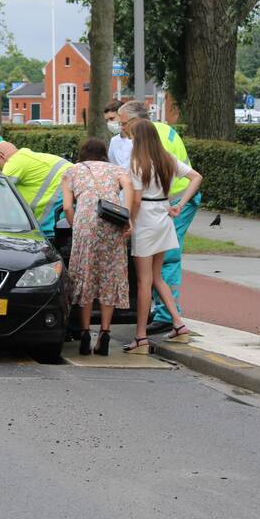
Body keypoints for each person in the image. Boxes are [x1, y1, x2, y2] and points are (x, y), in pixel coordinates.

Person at [116, 100, 200, 335]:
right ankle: (178, 322)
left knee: (144, 281)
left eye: (125, 125)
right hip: (164, 216)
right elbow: (196, 177)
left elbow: (135, 199)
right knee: (157, 276)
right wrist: (179, 205)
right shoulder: (167, 157)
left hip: (146, 220)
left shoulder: (137, 163)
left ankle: (141, 335)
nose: (123, 130)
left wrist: (129, 221)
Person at [61, 138, 134, 356]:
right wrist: (127, 216)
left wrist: (76, 225)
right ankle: (105, 332)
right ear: (104, 154)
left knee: (85, 276)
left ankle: (85, 333)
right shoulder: (116, 169)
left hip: (85, 226)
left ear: (82, 153)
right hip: (112, 224)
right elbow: (129, 186)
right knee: (108, 277)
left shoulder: (72, 170)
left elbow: (67, 207)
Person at [0, 140, 70, 240]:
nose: (0, 169)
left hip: (61, 189)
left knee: (48, 231)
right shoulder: (26, 157)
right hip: (69, 184)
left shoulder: (15, 161)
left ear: (2, 156)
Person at [104, 99, 132, 167]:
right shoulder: (114, 141)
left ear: (122, 116)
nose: (109, 123)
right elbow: (112, 165)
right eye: (106, 120)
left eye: (112, 118)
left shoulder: (138, 139)